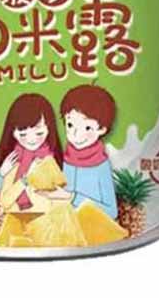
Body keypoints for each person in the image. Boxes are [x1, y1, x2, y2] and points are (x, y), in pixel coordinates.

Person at [38, 84, 118, 219]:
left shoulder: (100, 165)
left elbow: (111, 211)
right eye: (70, 125)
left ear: (102, 129)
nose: (75, 134)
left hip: (90, 228)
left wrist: (72, 197)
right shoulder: (64, 159)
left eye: (87, 128)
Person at [0, 93, 63, 214]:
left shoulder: (51, 161)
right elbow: (4, 202)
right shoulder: (13, 162)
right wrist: (5, 175)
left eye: (39, 133)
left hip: (46, 221)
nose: (31, 140)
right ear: (12, 132)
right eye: (23, 134)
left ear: (49, 128)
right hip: (14, 219)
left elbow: (60, 199)